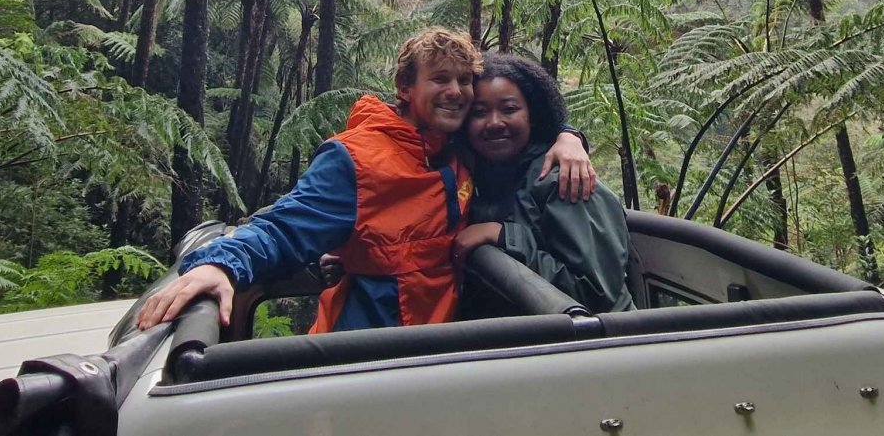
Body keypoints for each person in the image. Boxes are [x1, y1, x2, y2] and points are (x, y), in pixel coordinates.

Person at [135, 28, 596, 332]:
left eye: (463, 80)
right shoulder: (356, 159)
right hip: (364, 355)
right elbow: (284, 226)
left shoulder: (457, 151)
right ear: (405, 89)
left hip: (439, 355)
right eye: (440, 79)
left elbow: (519, 122)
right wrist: (221, 265)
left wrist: (569, 135)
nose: (456, 92)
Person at [452, 52, 634, 314]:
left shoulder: (565, 178)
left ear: (532, 115)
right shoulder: (477, 178)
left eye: (509, 109)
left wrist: (504, 236)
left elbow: (595, 295)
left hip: (601, 347)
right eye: (479, 112)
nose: (494, 122)